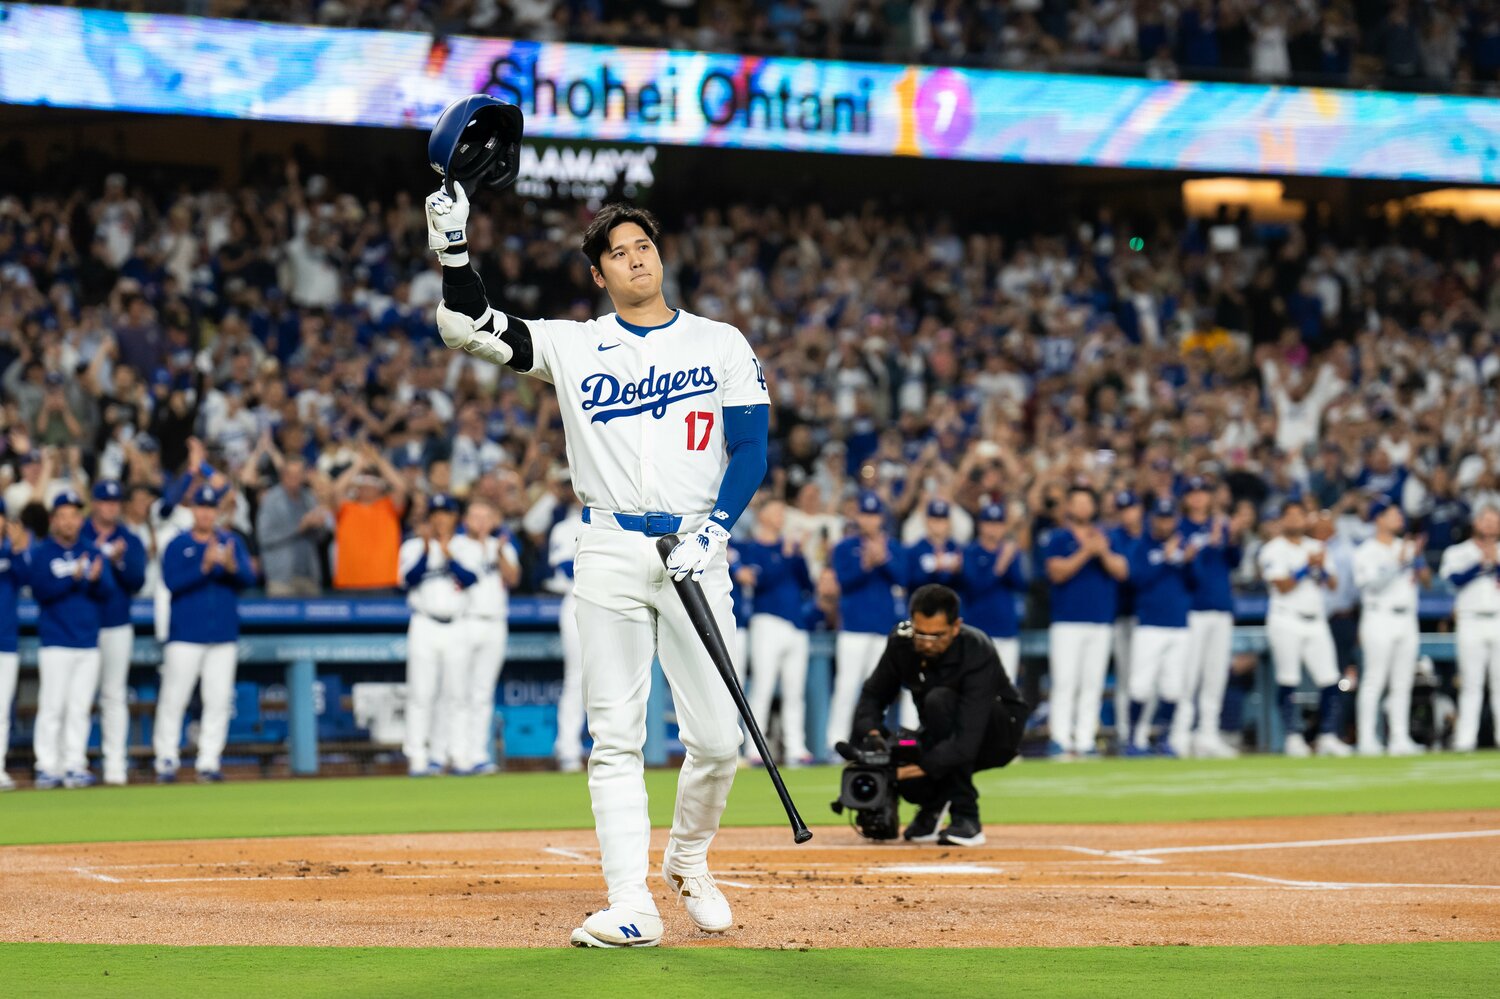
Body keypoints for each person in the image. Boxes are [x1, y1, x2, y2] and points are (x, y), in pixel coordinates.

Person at [427, 174, 770, 947]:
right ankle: (630, 902)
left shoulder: (719, 340)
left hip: (696, 546)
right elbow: (468, 324)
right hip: (609, 546)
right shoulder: (576, 344)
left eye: (643, 246)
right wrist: (452, 247)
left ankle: (688, 858)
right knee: (614, 734)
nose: (635, 259)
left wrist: (715, 530)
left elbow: (751, 446)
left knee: (719, 739)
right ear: (599, 274)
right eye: (618, 252)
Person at [850, 584, 1029, 847]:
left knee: (938, 703)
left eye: (936, 636)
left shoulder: (976, 648)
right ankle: (933, 809)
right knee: (904, 753)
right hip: (941, 727)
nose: (926, 643)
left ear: (956, 626)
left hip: (997, 731)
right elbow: (873, 695)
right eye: (920, 634)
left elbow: (966, 741)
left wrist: (920, 768)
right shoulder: (902, 643)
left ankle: (967, 816)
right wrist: (874, 738)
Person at [154, 485, 255, 782]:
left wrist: (232, 567)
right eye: (201, 507)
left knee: (218, 699)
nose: (206, 513)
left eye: (211, 508)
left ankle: (209, 760)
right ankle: (166, 759)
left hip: (222, 635)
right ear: (193, 510)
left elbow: (248, 579)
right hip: (185, 634)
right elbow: (171, 582)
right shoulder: (178, 543)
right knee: (174, 698)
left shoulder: (231, 541)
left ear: (217, 512)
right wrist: (205, 566)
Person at [29, 490, 119, 789]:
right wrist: (74, 578)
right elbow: (41, 590)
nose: (69, 521)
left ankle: (74, 763)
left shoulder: (91, 551)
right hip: (56, 640)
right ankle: (46, 764)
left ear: (81, 519)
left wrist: (93, 578)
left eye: (74, 515)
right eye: (63, 515)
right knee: (53, 705)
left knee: (80, 707)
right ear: (55, 520)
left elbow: (107, 591)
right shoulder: (43, 552)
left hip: (87, 640)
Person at [1256, 501, 1351, 757]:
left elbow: (1333, 584)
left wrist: (1319, 567)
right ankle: (1292, 737)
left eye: (1300, 515)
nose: (1295, 520)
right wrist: (1305, 568)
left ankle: (1328, 735)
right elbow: (1283, 586)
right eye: (1290, 515)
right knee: (1288, 679)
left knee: (1330, 679)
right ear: (1282, 520)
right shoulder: (1272, 549)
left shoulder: (1317, 547)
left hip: (1316, 619)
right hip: (1286, 619)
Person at [1042, 485, 1129, 758]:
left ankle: (1085, 739)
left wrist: (1101, 551)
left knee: (1092, 683)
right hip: (1067, 621)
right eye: (1076, 502)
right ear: (1068, 507)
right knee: (1065, 681)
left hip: (1100, 621)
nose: (1082, 508)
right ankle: (1059, 737)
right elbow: (1056, 572)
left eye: (1086, 503)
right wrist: (1086, 552)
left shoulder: (1107, 537)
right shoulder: (1058, 537)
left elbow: (1122, 570)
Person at [398, 493, 479, 776]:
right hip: (424, 624)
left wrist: (447, 555)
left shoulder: (466, 546)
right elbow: (408, 580)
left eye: (446, 514)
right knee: (421, 694)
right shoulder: (412, 546)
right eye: (436, 514)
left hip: (457, 625)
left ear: (455, 518)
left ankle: (458, 755)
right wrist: (426, 550)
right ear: (429, 518)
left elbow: (470, 579)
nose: (440, 519)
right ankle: (417, 757)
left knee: (458, 695)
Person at [737, 499, 816, 767]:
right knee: (763, 686)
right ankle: (754, 748)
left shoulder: (789, 549)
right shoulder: (753, 548)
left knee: (795, 690)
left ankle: (796, 746)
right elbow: (761, 581)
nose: (782, 516)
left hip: (796, 624)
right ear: (763, 515)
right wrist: (786, 554)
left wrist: (797, 554)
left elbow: (807, 583)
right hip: (766, 621)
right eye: (777, 511)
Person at [829, 492, 908, 755]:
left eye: (874, 515)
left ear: (881, 518)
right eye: (866, 514)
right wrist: (866, 563)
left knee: (878, 692)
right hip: (853, 628)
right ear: (858, 516)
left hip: (883, 628)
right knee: (846, 687)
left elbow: (904, 578)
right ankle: (835, 743)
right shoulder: (845, 546)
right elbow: (844, 582)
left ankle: (873, 743)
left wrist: (883, 560)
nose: (870, 520)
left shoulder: (894, 547)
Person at [80, 480, 147, 786]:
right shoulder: (80, 534)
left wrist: (118, 560)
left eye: (115, 501)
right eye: (105, 501)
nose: (110, 506)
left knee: (114, 695)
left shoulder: (129, 538)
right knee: (79, 698)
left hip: (117, 623)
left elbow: (137, 580)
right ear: (94, 503)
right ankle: (74, 762)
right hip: (84, 624)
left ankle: (115, 764)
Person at [1352, 500, 1427, 756]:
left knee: (1402, 682)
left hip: (1406, 617)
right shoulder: (1366, 551)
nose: (1399, 518)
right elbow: (1369, 585)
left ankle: (1399, 738)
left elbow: (1425, 581)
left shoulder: (1405, 546)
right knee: (1374, 680)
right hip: (1378, 616)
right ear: (1379, 519)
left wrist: (1416, 559)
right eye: (1393, 514)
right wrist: (1399, 561)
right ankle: (1366, 739)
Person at [1178, 476, 1245, 758]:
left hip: (1221, 607)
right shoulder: (1180, 527)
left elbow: (1235, 561)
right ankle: (1181, 734)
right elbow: (1181, 569)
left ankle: (1208, 733)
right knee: (1188, 675)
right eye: (1192, 493)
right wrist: (1203, 546)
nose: (1198, 497)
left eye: (1203, 492)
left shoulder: (1220, 524)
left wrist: (1232, 538)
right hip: (1193, 608)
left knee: (1216, 675)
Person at [1124, 499, 1198, 756]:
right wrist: (1166, 559)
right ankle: (1133, 738)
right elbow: (1136, 579)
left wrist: (1188, 562)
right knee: (1140, 685)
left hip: (1179, 625)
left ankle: (1164, 738)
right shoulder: (1141, 547)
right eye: (1161, 518)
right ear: (1152, 519)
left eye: (1169, 518)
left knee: (1173, 687)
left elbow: (1195, 583)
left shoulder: (1184, 546)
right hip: (1149, 625)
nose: (1165, 523)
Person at [456, 498, 520, 775]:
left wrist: (497, 552)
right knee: (459, 692)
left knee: (482, 692)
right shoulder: (456, 545)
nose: (480, 522)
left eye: (486, 516)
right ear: (466, 520)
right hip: (465, 621)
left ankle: (478, 755)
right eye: (475, 516)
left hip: (495, 623)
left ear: (494, 520)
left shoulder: (503, 547)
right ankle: (457, 754)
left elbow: (513, 578)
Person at [1438, 506, 1500, 752]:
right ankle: (1466, 739)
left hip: (1498, 619)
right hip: (1470, 619)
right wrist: (1480, 563)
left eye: (1494, 520)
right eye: (1485, 519)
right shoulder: (1459, 551)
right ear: (1476, 522)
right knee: (1471, 683)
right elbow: (1453, 581)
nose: (1489, 525)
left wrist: (1495, 563)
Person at [959, 501, 1027, 681]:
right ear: (980, 525)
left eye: (998, 523)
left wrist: (1009, 558)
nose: (994, 528)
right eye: (989, 523)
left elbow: (1021, 584)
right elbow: (975, 586)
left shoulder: (1011, 552)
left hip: (1006, 630)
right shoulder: (970, 551)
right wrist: (1000, 563)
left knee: (1005, 689)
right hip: (977, 632)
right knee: (975, 688)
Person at [332, 441, 407, 590]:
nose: (366, 487)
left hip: (384, 581)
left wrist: (378, 460)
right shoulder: (347, 508)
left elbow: (401, 487)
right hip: (349, 582)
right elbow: (336, 490)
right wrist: (358, 465)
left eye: (371, 483)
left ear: (380, 486)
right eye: (362, 483)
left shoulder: (389, 507)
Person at [545, 499, 586, 773]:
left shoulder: (622, 519)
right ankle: (568, 748)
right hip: (577, 600)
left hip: (613, 601)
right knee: (577, 677)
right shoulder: (565, 526)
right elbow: (564, 567)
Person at [255, 456, 328, 596]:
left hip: (309, 575)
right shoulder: (271, 500)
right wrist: (299, 527)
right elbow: (264, 537)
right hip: (282, 578)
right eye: (290, 474)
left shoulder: (309, 498)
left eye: (298, 474)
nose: (294, 478)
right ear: (283, 475)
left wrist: (320, 526)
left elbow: (320, 539)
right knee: (282, 618)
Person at [1107, 491, 1144, 749]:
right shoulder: (1113, 537)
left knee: (1145, 680)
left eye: (1130, 508)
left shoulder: (1151, 536)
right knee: (1126, 678)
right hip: (1122, 615)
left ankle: (1141, 733)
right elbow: (1124, 573)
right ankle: (1124, 732)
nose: (1127, 514)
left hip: (1150, 616)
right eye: (1122, 509)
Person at [0, 501, 30, 791]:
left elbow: (28, 579)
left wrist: (19, 549)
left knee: (1, 710)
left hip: (5, 641)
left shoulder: (11, 554)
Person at [908, 499, 962, 590]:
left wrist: (957, 572)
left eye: (942, 520)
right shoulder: (915, 549)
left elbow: (967, 585)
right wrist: (935, 570)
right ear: (927, 521)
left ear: (949, 522)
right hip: (924, 601)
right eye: (934, 520)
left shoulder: (957, 549)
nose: (938, 524)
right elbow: (910, 581)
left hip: (949, 601)